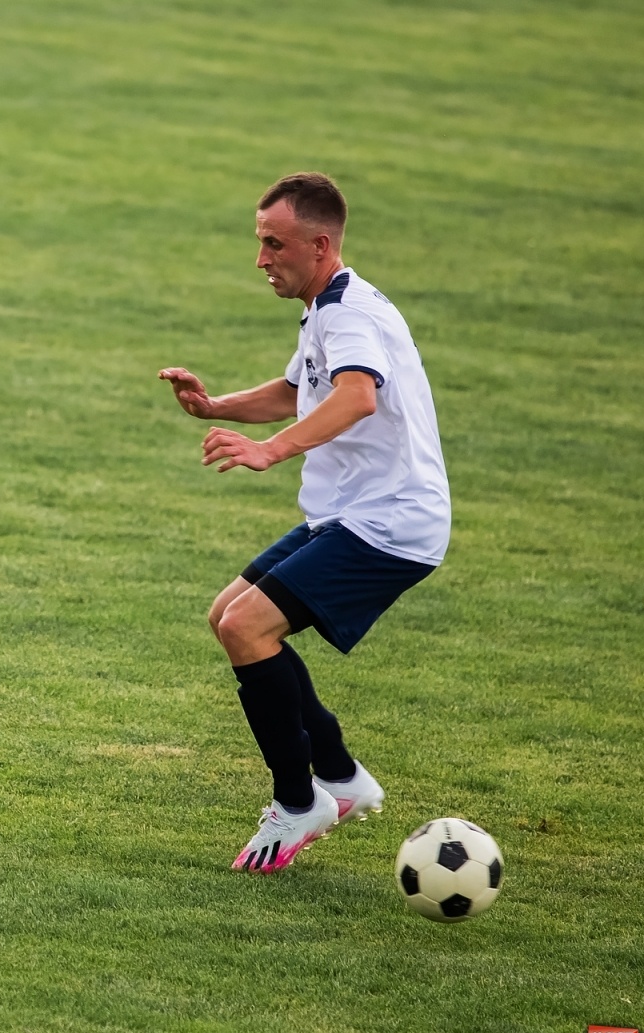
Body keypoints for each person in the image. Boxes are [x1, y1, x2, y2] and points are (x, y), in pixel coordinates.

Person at [159, 172, 449, 874]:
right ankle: (342, 778)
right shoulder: (329, 307)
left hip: (390, 526)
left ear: (320, 244)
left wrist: (271, 450)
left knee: (246, 627)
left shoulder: (350, 315)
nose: (261, 259)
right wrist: (217, 407)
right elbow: (299, 391)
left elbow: (355, 398)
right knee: (228, 615)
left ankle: (300, 802)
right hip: (350, 513)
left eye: (273, 244)